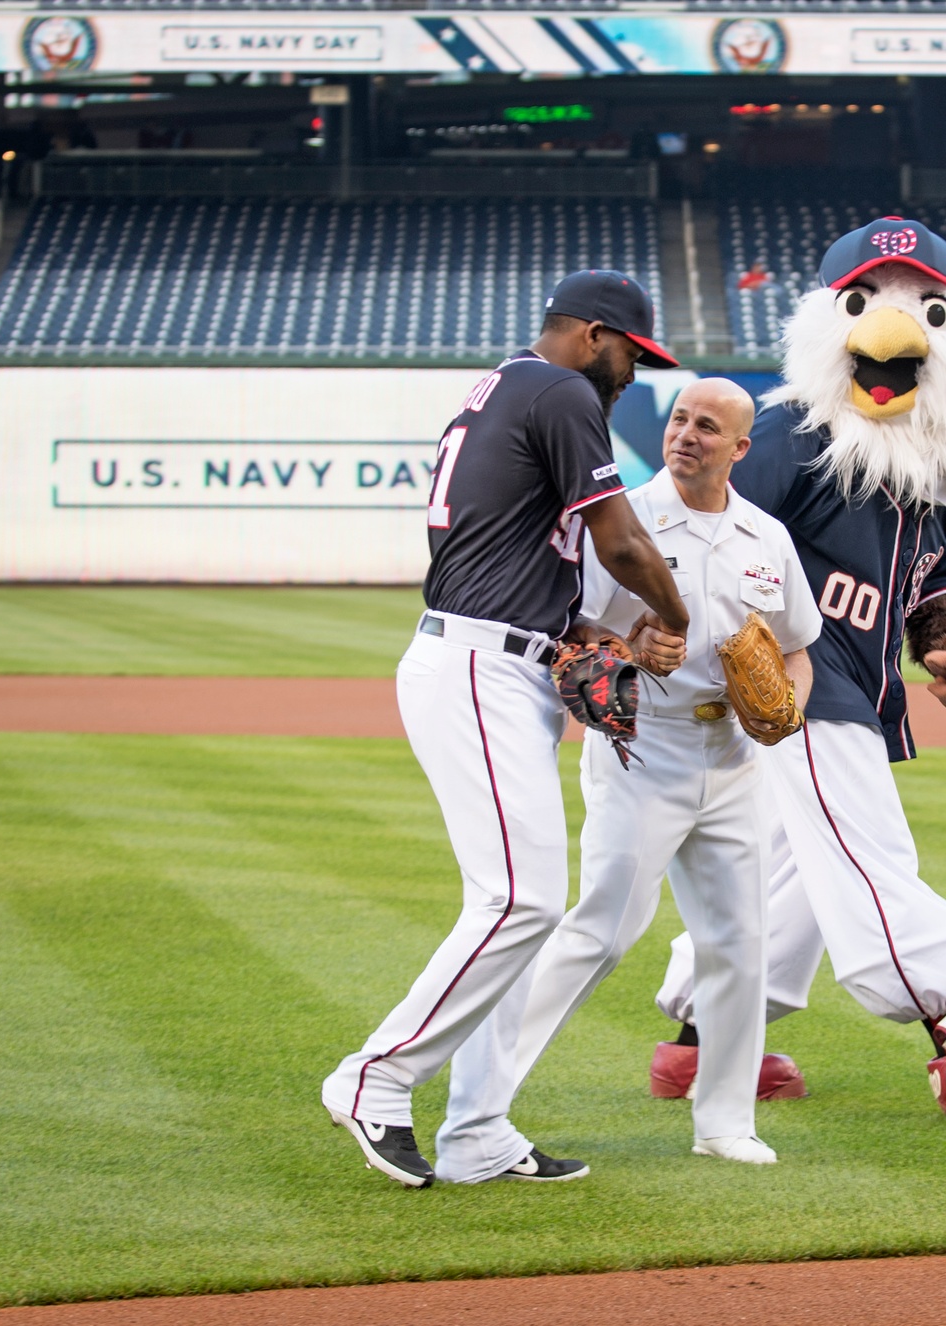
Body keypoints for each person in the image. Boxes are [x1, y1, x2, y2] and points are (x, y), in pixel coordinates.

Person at [647, 216, 946, 1117]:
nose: (893, 329)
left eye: (921, 305)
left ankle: (703, 1045)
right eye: (868, 301)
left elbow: (941, 581)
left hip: (856, 688)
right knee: (864, 842)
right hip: (793, 683)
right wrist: (707, 653)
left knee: (787, 870)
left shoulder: (940, 467)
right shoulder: (792, 434)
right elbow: (703, 530)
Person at [321, 270, 689, 1188]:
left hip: (508, 659)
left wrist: (599, 633)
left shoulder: (513, 388)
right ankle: (376, 1077)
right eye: (633, 355)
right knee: (520, 898)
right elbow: (623, 543)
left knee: (523, 911)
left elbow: (524, 558)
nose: (634, 376)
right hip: (479, 666)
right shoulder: (560, 388)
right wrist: (677, 618)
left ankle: (479, 1130)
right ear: (594, 335)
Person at [437, 378, 821, 1178]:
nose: (687, 435)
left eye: (708, 427)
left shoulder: (764, 536)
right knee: (598, 933)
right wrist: (634, 649)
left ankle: (724, 1122)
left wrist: (782, 712)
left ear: (740, 449)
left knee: (739, 946)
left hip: (735, 761)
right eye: (680, 419)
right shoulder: (625, 520)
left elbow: (795, 646)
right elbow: (574, 629)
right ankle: (481, 1106)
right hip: (643, 747)